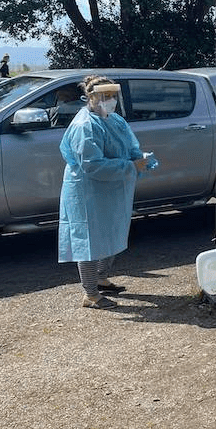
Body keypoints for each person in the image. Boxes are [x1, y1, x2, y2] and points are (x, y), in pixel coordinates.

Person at [58, 75, 151, 309]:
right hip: (88, 191)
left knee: (112, 231)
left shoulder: (113, 119)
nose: (110, 101)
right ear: (90, 97)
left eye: (112, 96)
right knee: (89, 239)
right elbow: (92, 165)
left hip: (111, 188)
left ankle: (101, 278)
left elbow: (128, 145)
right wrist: (130, 167)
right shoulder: (85, 125)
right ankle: (90, 294)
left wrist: (139, 158)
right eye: (105, 96)